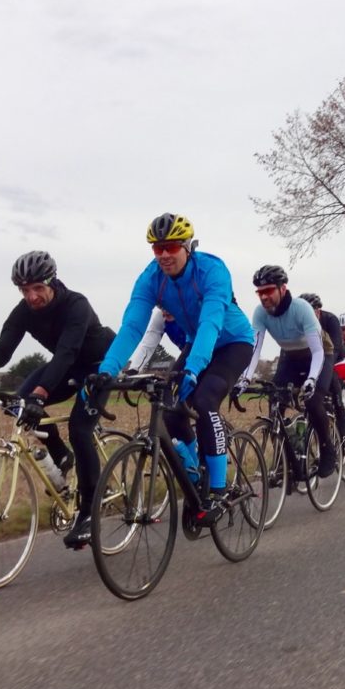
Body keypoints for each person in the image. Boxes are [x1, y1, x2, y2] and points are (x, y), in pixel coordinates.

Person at [97, 214, 255, 526]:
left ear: (186, 246)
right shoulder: (150, 278)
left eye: (170, 246)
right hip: (197, 343)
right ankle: (195, 468)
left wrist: (193, 368)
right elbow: (133, 326)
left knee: (205, 400)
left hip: (233, 342)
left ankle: (219, 490)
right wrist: (107, 371)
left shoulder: (212, 270)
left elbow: (211, 322)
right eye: (157, 249)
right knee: (170, 413)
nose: (164, 255)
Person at [0, 250, 115, 549]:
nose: (31, 297)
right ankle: (61, 454)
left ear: (52, 282)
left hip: (99, 364)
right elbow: (0, 355)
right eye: (24, 290)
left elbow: (66, 352)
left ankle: (88, 513)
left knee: (80, 427)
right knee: (18, 405)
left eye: (37, 289)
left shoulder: (76, 305)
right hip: (67, 365)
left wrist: (41, 394)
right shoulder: (23, 312)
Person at [239, 266, 339, 478]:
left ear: (283, 289)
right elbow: (255, 347)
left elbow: (318, 351)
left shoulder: (301, 308)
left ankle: (327, 448)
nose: (264, 296)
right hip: (292, 357)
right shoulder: (260, 313)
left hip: (319, 354)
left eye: (268, 291)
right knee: (275, 401)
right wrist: (245, 378)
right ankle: (286, 458)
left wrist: (312, 379)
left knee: (313, 401)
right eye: (260, 292)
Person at [299, 292, 345, 445]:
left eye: (311, 312)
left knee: (332, 376)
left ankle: (343, 421)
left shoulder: (330, 320)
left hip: (339, 357)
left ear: (318, 311)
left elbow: (334, 349)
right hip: (316, 358)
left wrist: (324, 369)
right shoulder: (301, 323)